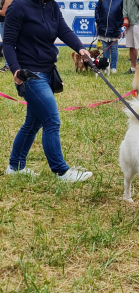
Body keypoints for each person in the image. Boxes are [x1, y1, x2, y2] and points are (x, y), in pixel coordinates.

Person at [3, 0, 92, 182]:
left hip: (48, 71)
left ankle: (15, 166)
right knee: (51, 120)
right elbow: (8, 43)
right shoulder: (18, 6)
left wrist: (80, 48)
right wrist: (15, 70)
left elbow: (63, 30)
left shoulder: (51, 5)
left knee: (33, 123)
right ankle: (61, 171)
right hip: (28, 75)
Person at [95, 0, 124, 74]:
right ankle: (105, 66)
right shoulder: (102, 0)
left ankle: (113, 67)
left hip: (114, 30)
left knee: (114, 49)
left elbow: (123, 13)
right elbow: (97, 9)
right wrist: (98, 21)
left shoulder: (120, 1)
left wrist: (118, 24)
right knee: (105, 49)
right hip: (103, 29)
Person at [123, 0, 139, 74]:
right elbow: (125, 4)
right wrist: (125, 17)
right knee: (131, 45)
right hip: (130, 21)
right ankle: (133, 68)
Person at [0, 0, 12, 72]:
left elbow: (4, 12)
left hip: (6, 22)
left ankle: (8, 65)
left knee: (8, 43)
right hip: (3, 22)